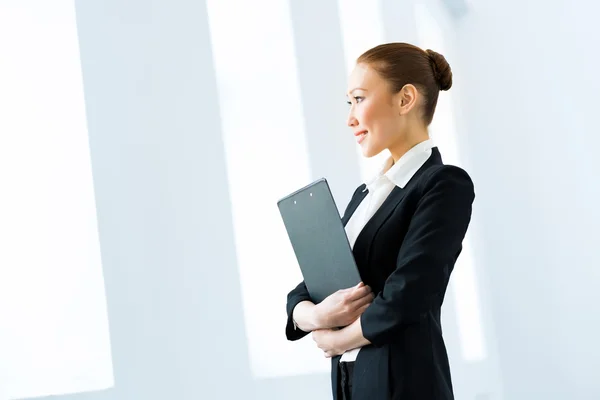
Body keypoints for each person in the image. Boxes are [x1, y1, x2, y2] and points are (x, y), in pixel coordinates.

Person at [284, 42, 475, 400]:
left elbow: (409, 293)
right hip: (351, 382)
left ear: (405, 100)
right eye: (349, 102)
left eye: (359, 99)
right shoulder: (366, 193)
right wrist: (315, 317)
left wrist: (338, 338)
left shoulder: (443, 184)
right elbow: (308, 288)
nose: (350, 117)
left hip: (404, 383)